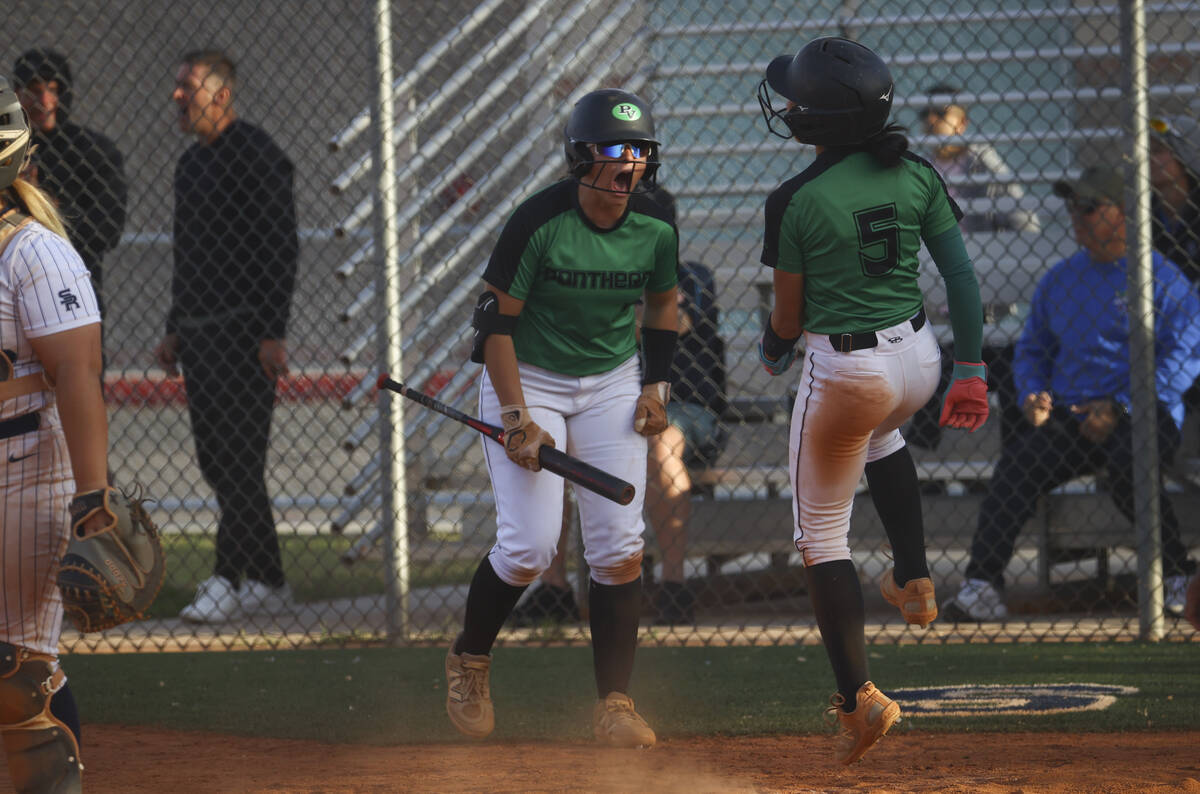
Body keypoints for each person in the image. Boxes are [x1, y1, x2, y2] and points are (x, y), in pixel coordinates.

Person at [755, 38, 989, 764]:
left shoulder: (793, 198)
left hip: (847, 369)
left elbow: (789, 323)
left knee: (820, 539)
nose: (789, 105)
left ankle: (859, 700)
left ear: (820, 120)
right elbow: (962, 279)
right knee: (885, 437)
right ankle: (914, 576)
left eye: (798, 100)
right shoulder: (915, 169)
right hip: (918, 360)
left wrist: (768, 353)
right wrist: (971, 370)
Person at [444, 88, 677, 749]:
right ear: (582, 159)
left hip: (610, 382)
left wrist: (655, 388)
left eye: (639, 151)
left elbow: (662, 308)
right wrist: (517, 417)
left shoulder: (656, 224)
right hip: (530, 376)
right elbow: (493, 328)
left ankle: (616, 706)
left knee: (618, 548)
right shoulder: (539, 219)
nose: (627, 164)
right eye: (612, 150)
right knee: (529, 547)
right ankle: (469, 659)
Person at [941, 166, 1200, 622]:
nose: (1075, 217)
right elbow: (1033, 350)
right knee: (1015, 469)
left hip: (1144, 410)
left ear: (1125, 213)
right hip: (1073, 412)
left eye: (1089, 207)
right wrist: (1034, 393)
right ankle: (982, 586)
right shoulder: (1060, 280)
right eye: (1072, 208)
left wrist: (1122, 406)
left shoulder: (1163, 277)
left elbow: (1184, 358)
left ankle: (1177, 574)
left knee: (1130, 467)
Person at [508, 189, 727, 627]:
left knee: (660, 441)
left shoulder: (691, 277)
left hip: (682, 408)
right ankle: (555, 589)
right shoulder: (586, 271)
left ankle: (674, 585)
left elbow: (672, 321)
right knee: (554, 448)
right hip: (606, 406)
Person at [153, 50, 299, 624]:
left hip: (245, 335)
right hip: (200, 335)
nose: (177, 96)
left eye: (187, 85)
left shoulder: (258, 155)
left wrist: (272, 332)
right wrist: (173, 327)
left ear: (221, 94)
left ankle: (223, 578)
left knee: (240, 457)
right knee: (219, 462)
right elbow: (187, 255)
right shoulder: (190, 166)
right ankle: (268, 577)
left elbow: (279, 247)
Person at [1, 74, 110, 793]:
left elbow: (77, 374)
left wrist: (92, 492)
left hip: (31, 471)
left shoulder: (34, 252)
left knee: (19, 671)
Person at [12, 48, 128, 320]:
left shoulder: (92, 152)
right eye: (34, 89)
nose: (44, 100)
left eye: (53, 89)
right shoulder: (8, 149)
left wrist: (43, 211)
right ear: (16, 94)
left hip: (74, 292)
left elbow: (107, 229)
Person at [919, 83, 1039, 234]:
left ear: (962, 123)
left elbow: (1024, 220)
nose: (930, 120)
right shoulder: (919, 167)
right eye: (924, 114)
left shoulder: (980, 161)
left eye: (940, 113)